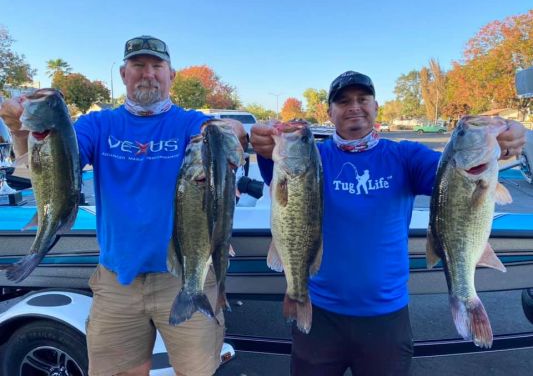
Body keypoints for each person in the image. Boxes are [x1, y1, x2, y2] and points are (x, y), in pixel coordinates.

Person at [250, 70, 527, 376]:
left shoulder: (405, 156)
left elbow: (455, 175)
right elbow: (275, 173)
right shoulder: (311, 157)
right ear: (329, 113)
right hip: (319, 313)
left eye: (362, 98)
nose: (354, 106)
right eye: (343, 101)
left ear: (376, 106)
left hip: (386, 316)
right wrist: (263, 146)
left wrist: (509, 134)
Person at [0, 35, 246, 376]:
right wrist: (19, 127)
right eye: (138, 66)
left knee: (197, 370)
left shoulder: (189, 123)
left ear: (171, 75)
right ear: (123, 74)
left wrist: (228, 130)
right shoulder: (97, 125)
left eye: (157, 66)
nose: (148, 74)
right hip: (117, 281)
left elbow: (225, 129)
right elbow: (54, 160)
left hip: (186, 273)